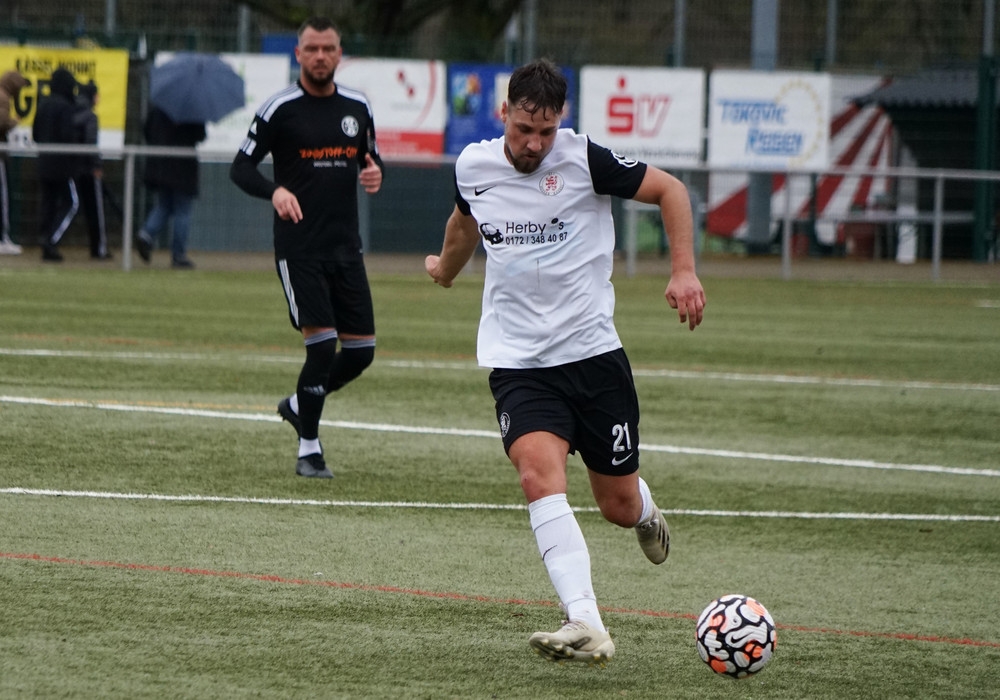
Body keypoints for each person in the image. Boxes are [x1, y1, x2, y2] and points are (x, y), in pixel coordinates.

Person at [425, 58, 706, 665]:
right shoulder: (473, 166)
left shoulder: (584, 160)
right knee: (537, 476)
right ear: (504, 112)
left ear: (562, 122)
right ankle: (585, 620)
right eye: (525, 129)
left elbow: (671, 191)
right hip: (519, 362)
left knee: (617, 505)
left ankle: (644, 511)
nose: (535, 144)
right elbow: (464, 222)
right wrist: (445, 268)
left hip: (593, 358)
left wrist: (683, 270)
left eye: (546, 131)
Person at [230, 16, 385, 479]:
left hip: (346, 248)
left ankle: (299, 405)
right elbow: (241, 168)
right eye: (312, 49)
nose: (320, 56)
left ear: (339, 54)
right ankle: (309, 450)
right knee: (321, 348)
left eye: (328, 48)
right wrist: (274, 191)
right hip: (299, 248)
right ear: (298, 54)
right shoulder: (279, 109)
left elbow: (370, 157)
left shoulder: (358, 106)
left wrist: (375, 172)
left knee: (361, 351)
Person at [135, 105, 205, 268]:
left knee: (164, 205)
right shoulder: (192, 110)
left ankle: (146, 234)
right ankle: (178, 255)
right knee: (183, 210)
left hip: (161, 166)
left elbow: (147, 131)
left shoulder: (158, 108)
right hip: (183, 168)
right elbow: (200, 135)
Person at [32, 67, 80, 262]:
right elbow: (68, 135)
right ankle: (50, 239)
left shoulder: (43, 104)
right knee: (71, 203)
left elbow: (35, 134)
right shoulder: (66, 107)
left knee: (48, 203)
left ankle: (46, 241)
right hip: (61, 165)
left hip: (43, 163)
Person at [73, 80, 111, 260]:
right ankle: (99, 248)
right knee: (96, 210)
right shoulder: (90, 117)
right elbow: (91, 143)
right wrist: (96, 165)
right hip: (89, 170)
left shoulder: (72, 113)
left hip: (74, 168)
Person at [1, 69, 29, 255]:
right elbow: (2, 123)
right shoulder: (3, 98)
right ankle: (3, 239)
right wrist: (15, 121)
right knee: (2, 197)